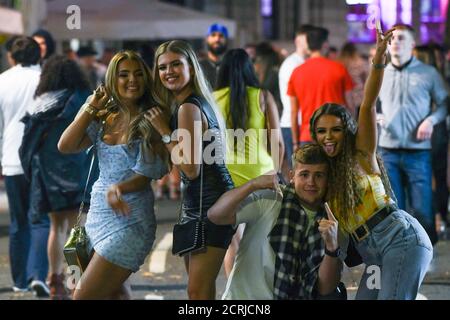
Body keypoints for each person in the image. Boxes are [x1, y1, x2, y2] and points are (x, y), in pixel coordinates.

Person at [310, 26, 433, 299]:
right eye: (321, 131)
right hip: (374, 257)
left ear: (347, 130)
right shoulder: (324, 176)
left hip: (401, 241)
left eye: (335, 129)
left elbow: (367, 104)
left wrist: (378, 59)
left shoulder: (361, 153)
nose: (328, 137)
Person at [58, 50, 169, 299]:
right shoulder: (104, 115)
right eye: (124, 74)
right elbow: (65, 145)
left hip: (130, 220)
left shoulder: (152, 116)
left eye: (139, 74)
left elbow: (146, 175)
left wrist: (119, 189)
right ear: (111, 79)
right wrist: (90, 107)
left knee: (82, 295)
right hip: (97, 215)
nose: (133, 80)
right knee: (114, 294)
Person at [146, 40, 235, 299]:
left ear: (191, 68)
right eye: (162, 67)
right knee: (199, 290)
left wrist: (164, 131)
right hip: (202, 201)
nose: (169, 72)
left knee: (198, 291)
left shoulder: (189, 108)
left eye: (176, 64)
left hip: (209, 204)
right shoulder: (193, 103)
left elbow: (191, 168)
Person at [208, 144, 343, 299]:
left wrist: (332, 247)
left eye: (319, 175)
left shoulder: (332, 220)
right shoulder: (271, 199)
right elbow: (215, 215)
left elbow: (325, 289)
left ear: (328, 179)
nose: (311, 182)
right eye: (304, 174)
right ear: (292, 176)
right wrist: (253, 184)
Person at [19, 55, 92, 299]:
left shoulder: (41, 102)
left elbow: (27, 145)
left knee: (55, 227)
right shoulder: (84, 99)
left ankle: (54, 279)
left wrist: (29, 171)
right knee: (77, 228)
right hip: (79, 170)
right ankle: (75, 280)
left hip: (48, 175)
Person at [214, 48, 284, 277]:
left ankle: (235, 294)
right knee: (260, 242)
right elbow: (278, 143)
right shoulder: (262, 96)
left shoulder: (212, 100)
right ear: (249, 69)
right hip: (261, 177)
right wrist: (275, 174)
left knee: (233, 243)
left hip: (225, 180)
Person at [376, 25, 448, 245]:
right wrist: (377, 116)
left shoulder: (428, 73)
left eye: (401, 38)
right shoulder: (379, 72)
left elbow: (444, 103)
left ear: (412, 44)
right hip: (388, 150)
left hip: (418, 151)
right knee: (394, 209)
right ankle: (402, 253)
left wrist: (431, 120)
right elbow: (368, 104)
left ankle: (426, 255)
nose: (395, 42)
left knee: (423, 210)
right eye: (392, 39)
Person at [0, 36, 50, 297]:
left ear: (12, 57)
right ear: (39, 55)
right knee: (41, 220)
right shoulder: (46, 80)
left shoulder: (2, 81)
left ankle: (19, 280)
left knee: (19, 223)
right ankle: (38, 275)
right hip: (42, 161)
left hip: (11, 160)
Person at [288, 26, 354, 147]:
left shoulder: (296, 72)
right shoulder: (339, 69)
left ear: (308, 45)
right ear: (325, 44)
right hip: (335, 135)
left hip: (307, 135)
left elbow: (293, 112)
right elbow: (350, 106)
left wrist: (295, 142)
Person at [278, 24, 315, 178]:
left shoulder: (300, 63)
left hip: (299, 122)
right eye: (309, 39)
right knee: (300, 171)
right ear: (299, 40)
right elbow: (293, 102)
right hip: (294, 123)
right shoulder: (293, 64)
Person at [199, 23, 229, 88]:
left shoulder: (233, 66)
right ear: (207, 39)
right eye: (213, 35)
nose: (217, 39)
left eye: (221, 36)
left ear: (226, 40)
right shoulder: (198, 67)